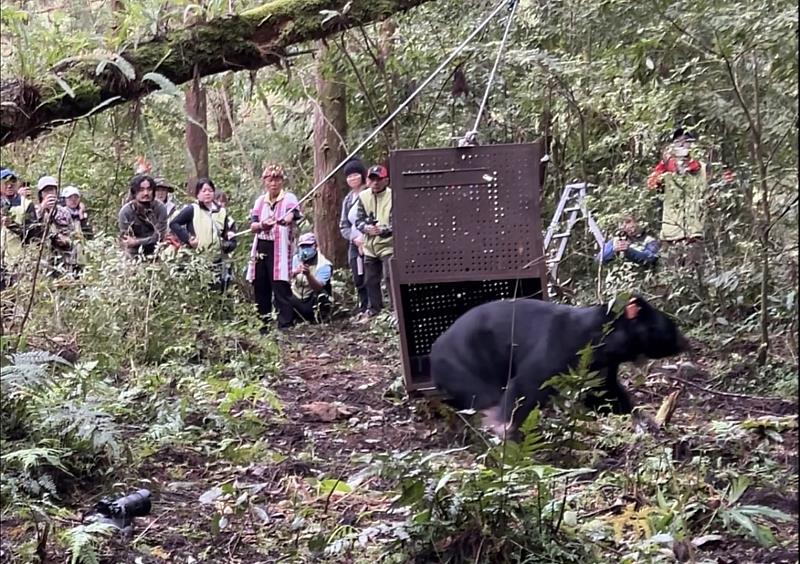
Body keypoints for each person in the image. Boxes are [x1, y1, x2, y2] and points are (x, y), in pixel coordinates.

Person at [246, 164, 302, 333]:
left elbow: (294, 213)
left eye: (277, 179)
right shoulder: (260, 201)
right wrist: (262, 225)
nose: (274, 183)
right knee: (260, 284)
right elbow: (253, 225)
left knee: (280, 283)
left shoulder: (288, 198)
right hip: (262, 244)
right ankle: (263, 324)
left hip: (279, 247)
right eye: (270, 179)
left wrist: (285, 219)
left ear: (282, 181)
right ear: (265, 181)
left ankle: (285, 324)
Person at [647, 128, 708, 268]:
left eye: (686, 141)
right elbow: (651, 184)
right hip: (670, 236)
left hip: (694, 234)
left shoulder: (703, 167)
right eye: (678, 141)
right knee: (671, 277)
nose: (682, 144)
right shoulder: (665, 168)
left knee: (693, 276)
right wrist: (667, 164)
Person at [168, 177, 237, 291]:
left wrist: (229, 243)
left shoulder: (221, 212)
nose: (207, 193)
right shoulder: (192, 209)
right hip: (196, 260)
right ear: (198, 194)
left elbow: (228, 235)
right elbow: (174, 224)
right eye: (203, 191)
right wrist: (188, 238)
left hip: (216, 261)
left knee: (217, 292)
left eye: (209, 190)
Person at [355, 164, 393, 322]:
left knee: (390, 277)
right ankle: (374, 310)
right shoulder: (363, 196)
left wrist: (384, 230)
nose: (376, 182)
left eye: (379, 179)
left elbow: (399, 220)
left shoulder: (393, 195)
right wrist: (366, 228)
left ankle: (395, 310)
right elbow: (358, 220)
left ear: (386, 180)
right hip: (370, 246)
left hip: (389, 245)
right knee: (370, 279)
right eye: (372, 179)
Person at [339, 159, 369, 317]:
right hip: (354, 243)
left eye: (355, 175)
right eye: (349, 176)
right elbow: (343, 225)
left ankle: (373, 307)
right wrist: (354, 239)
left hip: (370, 241)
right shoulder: (348, 199)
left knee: (371, 275)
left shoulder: (369, 193)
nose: (352, 179)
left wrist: (365, 237)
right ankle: (363, 306)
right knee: (358, 276)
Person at [34, 175, 81, 274]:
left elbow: (73, 234)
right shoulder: (34, 210)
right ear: (41, 194)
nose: (49, 194)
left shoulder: (64, 212)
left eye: (52, 190)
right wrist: (43, 208)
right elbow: (31, 229)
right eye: (46, 191)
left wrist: (66, 240)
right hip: (43, 257)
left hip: (64, 257)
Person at [287, 233, 333, 325]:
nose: (305, 249)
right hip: (296, 296)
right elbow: (285, 278)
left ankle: (321, 318)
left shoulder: (324, 264)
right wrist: (295, 272)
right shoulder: (295, 259)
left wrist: (308, 275)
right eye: (302, 246)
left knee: (322, 296)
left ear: (315, 246)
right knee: (281, 293)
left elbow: (319, 287)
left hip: (312, 299)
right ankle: (290, 320)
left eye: (308, 245)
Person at [118, 174, 169, 258]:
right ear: (134, 192)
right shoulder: (126, 212)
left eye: (149, 189)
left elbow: (160, 236)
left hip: (158, 252)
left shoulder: (160, 208)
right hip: (134, 256)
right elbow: (128, 241)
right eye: (141, 190)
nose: (146, 193)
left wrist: (137, 241)